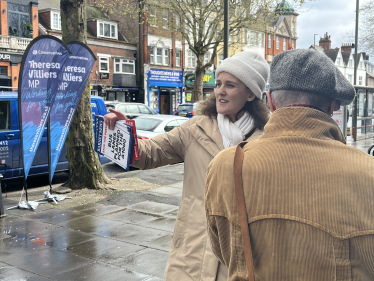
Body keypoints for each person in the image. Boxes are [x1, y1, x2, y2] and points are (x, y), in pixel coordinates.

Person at [205, 48, 374, 280]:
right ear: (332, 106)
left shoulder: (226, 164)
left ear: (272, 102)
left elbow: (222, 251)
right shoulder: (369, 172)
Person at [104, 51, 270, 280]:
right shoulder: (195, 128)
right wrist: (123, 134)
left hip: (242, 254)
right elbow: (149, 154)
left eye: (230, 85)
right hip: (193, 248)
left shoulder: (268, 139)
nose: (220, 91)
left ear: (251, 93)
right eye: (219, 83)